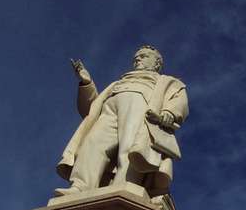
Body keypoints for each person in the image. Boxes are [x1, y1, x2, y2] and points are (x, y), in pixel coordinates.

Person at [55, 45, 188, 197]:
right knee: (93, 144)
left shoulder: (166, 82)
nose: (137, 58)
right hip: (109, 108)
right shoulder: (116, 83)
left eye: (144, 56)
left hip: (141, 103)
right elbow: (91, 109)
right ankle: (81, 186)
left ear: (157, 63)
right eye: (136, 56)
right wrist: (87, 83)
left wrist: (169, 112)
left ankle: (124, 186)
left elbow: (178, 101)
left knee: (130, 146)